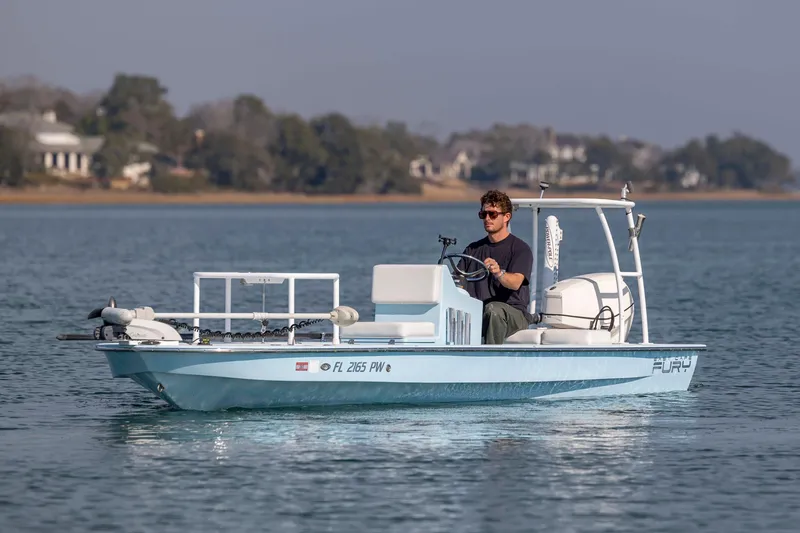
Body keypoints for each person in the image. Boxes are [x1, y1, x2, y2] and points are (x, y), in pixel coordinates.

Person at [458, 190, 535, 344]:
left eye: (492, 214)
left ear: (506, 217)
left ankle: (490, 361)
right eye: (483, 214)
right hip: (480, 310)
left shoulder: (520, 249)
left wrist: (499, 273)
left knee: (494, 310)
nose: (487, 218)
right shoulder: (472, 250)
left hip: (513, 313)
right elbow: (458, 281)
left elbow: (515, 282)